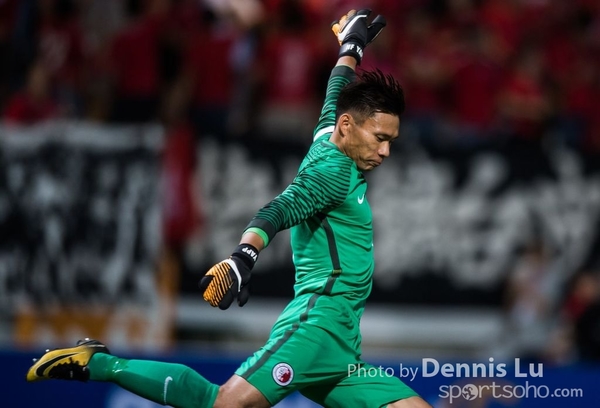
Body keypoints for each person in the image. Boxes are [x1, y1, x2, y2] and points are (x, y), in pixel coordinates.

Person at [26, 9, 432, 408]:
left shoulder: (330, 134)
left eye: (391, 141)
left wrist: (351, 48)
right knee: (225, 403)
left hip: (343, 342)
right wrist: (243, 257)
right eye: (380, 138)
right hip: (317, 326)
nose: (385, 151)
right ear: (348, 127)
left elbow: (335, 92)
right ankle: (99, 363)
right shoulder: (333, 173)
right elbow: (280, 208)